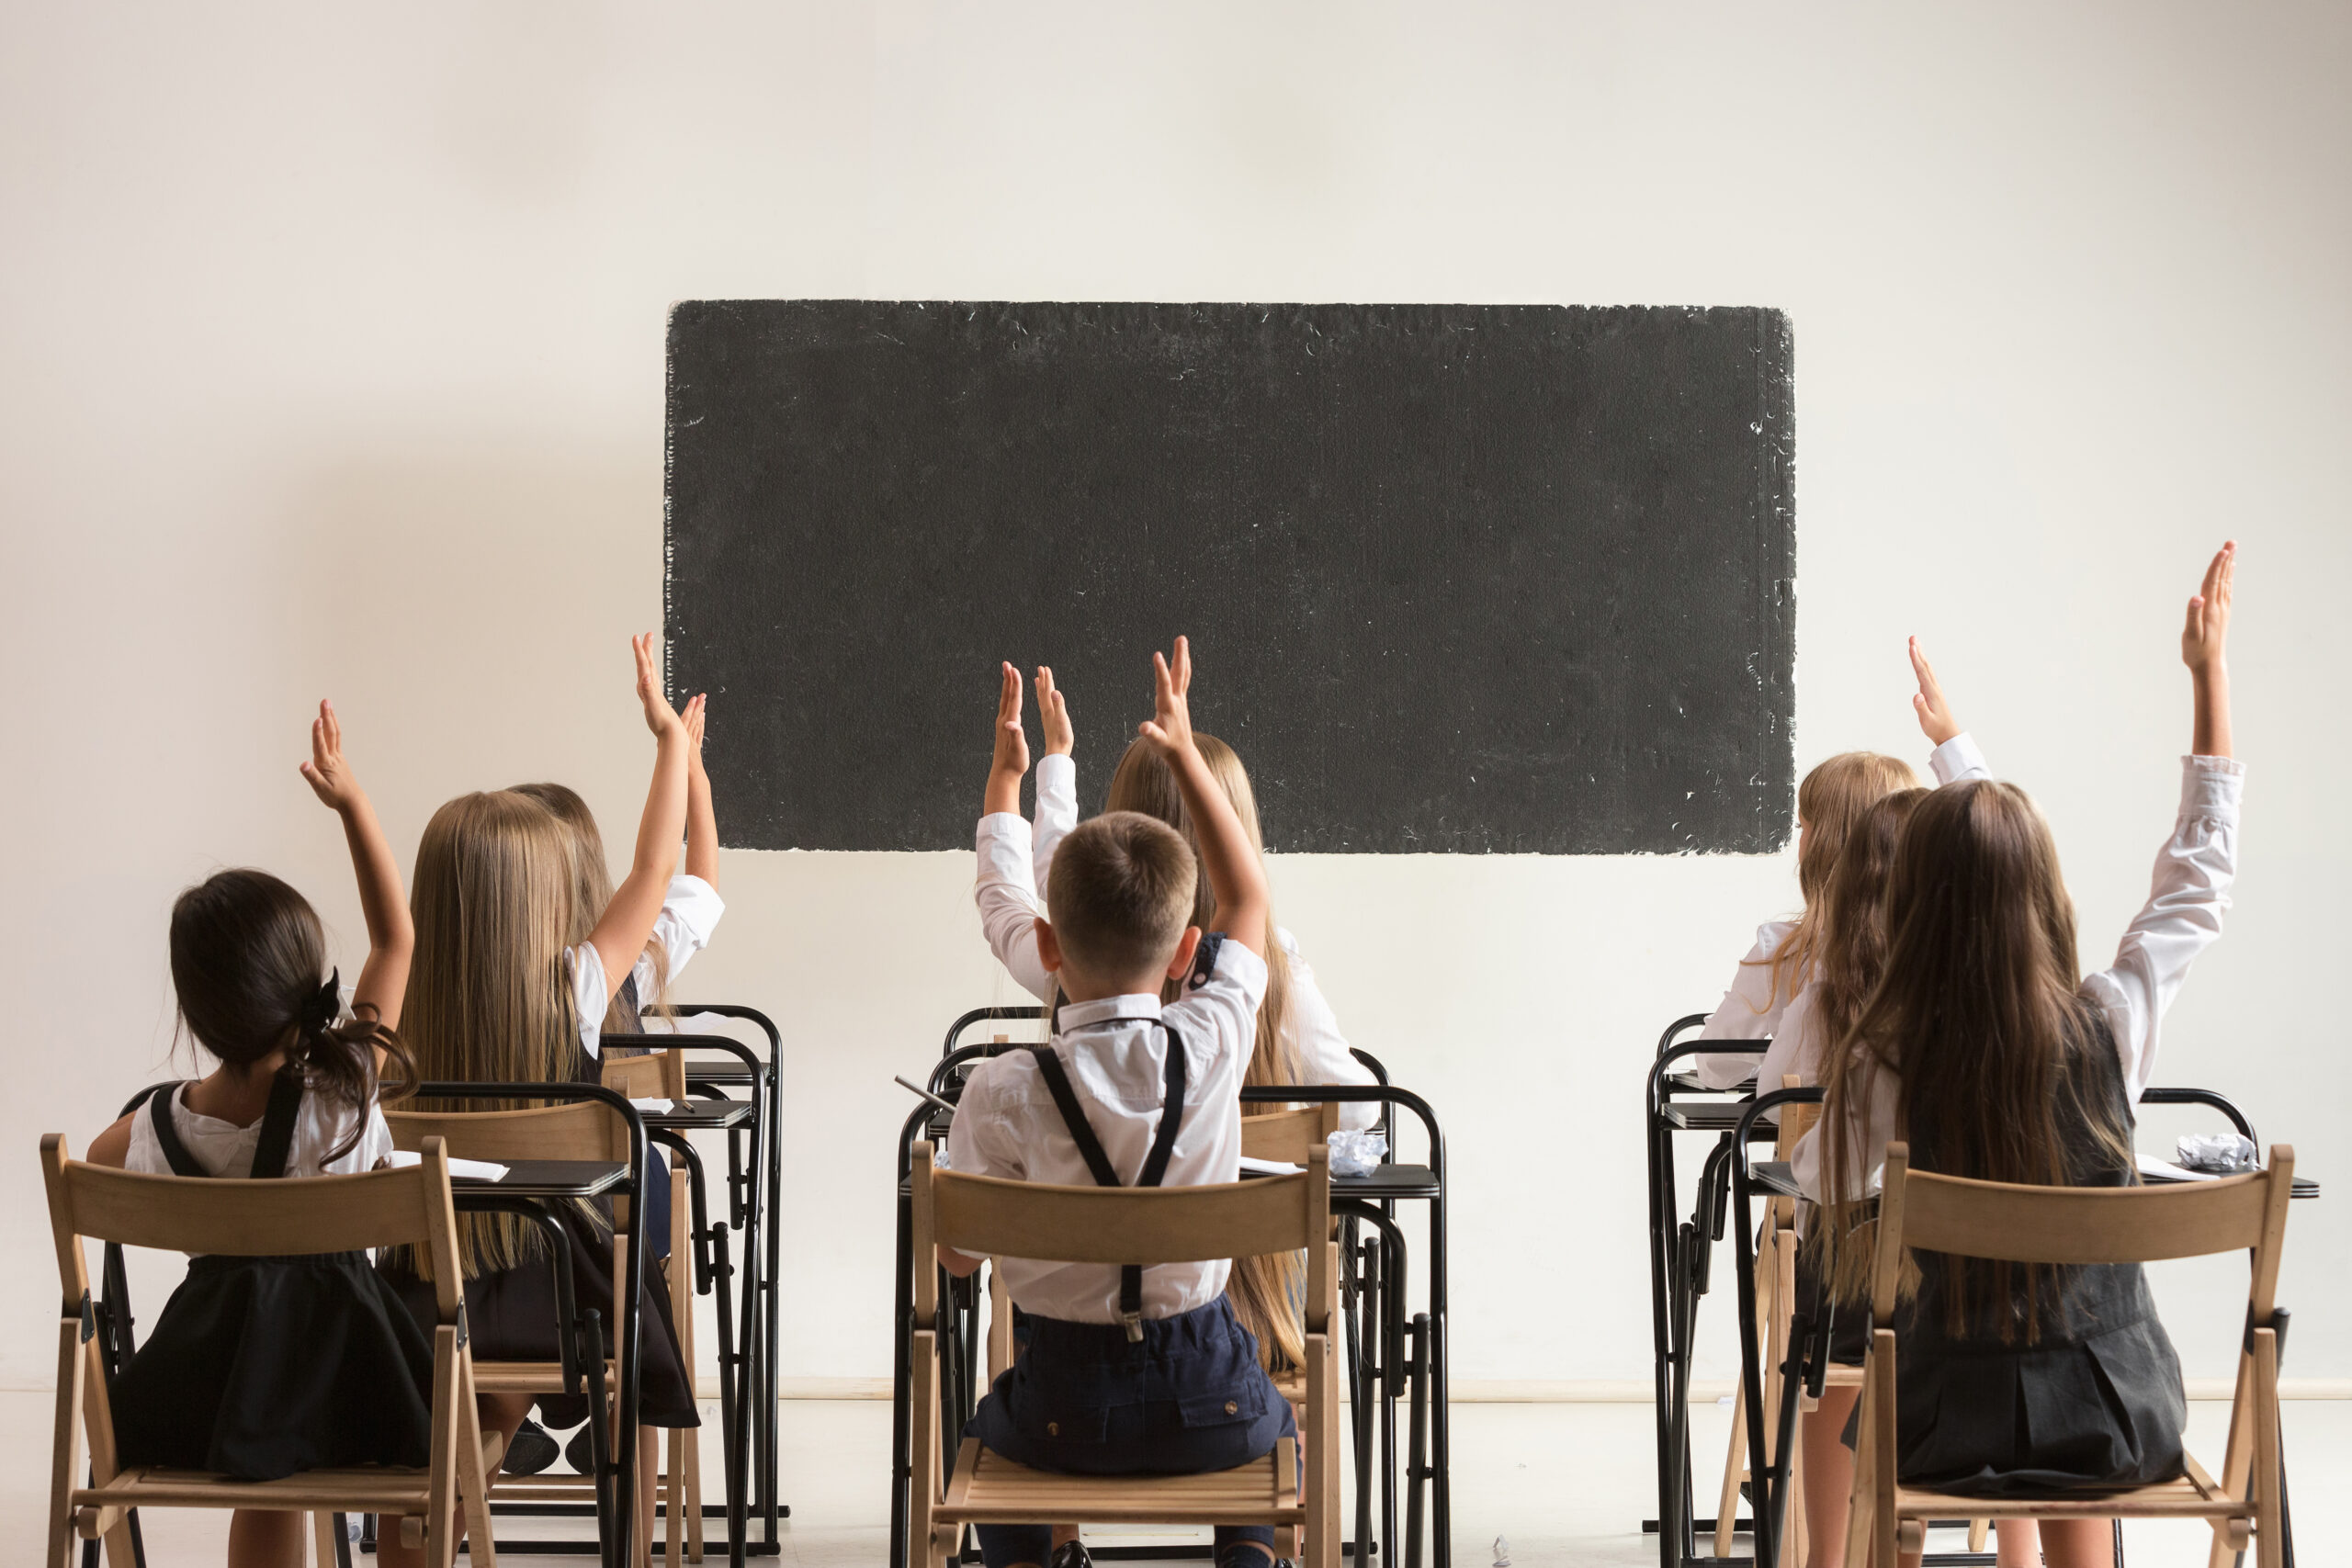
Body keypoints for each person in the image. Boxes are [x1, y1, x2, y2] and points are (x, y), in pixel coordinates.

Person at [1804, 544, 2242, 1568]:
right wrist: (2207, 676)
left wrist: (1959, 766)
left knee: (1948, 1361)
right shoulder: (2113, 1026)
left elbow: (1823, 1174)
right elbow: (2196, 881)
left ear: (1911, 903)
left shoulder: (1881, 1062)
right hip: (2114, 1418)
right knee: (2065, 1381)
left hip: (1943, 1426)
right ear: (2044, 899)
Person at [945, 637, 1293, 1568]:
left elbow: (954, 1254)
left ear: (1049, 948)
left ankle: (1035, 1559)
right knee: (1280, 1426)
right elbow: (1248, 895)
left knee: (984, 1431)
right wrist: (1183, 752)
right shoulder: (1211, 1039)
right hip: (1213, 1407)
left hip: (1061, 1415)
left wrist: (1013, 781)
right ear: (1187, 954)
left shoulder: (1003, 1086)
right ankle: (1248, 1558)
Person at [375, 634, 703, 1564]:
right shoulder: (577, 987)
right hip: (565, 1299)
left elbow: (386, 937)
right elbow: (650, 871)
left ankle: (434, 1504)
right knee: (636, 1196)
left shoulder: (400, 1014)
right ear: (543, 898)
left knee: (454, 1403)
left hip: (426, 1302)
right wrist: (669, 742)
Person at [87, 702, 423, 1568]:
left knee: (262, 1459)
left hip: (218, 1401)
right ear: (307, 983)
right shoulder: (344, 1098)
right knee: (384, 1443)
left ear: (199, 1013)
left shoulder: (156, 1128)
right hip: (361, 1390)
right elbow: (397, 936)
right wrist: (353, 805)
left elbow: (90, 1169)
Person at [978, 661, 1374, 1383]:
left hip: (1072, 1364)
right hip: (1239, 1327)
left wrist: (1043, 773)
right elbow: (1356, 1115)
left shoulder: (1065, 962)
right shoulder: (1265, 977)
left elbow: (1021, 899)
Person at [498, 713, 721, 1476]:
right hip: (601, 1232)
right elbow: (686, 877)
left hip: (481, 1253)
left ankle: (510, 1407)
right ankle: (615, 1405)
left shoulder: (446, 997)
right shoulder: (607, 974)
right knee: (627, 1183)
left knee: (503, 1214)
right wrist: (686, 763)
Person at [1690, 642, 1989, 1089]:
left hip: (1815, 1158)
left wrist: (1781, 1056)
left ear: (1824, 844)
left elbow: (1715, 1068)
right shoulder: (1950, 939)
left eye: (1801, 827)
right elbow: (1990, 840)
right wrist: (1951, 743)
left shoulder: (1785, 952)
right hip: (1932, 1159)